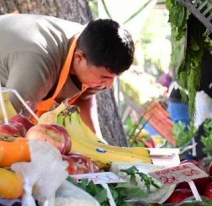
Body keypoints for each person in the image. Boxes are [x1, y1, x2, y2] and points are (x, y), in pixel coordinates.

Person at [0, 15, 134, 134]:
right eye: (105, 77)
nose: (109, 85)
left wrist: (95, 140)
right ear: (79, 58)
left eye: (114, 78)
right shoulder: (36, 66)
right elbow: (9, 127)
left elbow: (84, 97)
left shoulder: (92, 48)